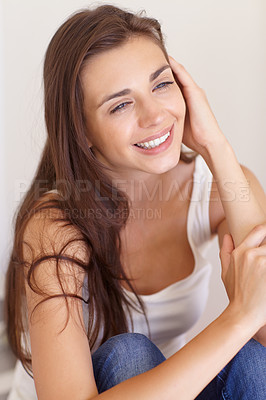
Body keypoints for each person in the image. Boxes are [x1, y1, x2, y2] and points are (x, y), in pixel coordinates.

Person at [4, 4, 266, 400]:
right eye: (121, 104)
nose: (156, 115)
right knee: (130, 354)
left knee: (254, 360)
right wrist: (237, 318)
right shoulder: (55, 226)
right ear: (82, 130)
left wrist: (216, 146)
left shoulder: (218, 187)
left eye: (162, 84)